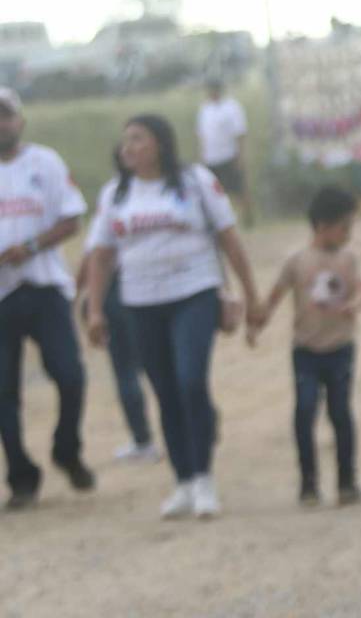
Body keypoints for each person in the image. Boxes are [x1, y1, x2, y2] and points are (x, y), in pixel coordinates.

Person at [85, 114, 263, 519]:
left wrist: (250, 294)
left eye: (137, 139)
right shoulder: (116, 194)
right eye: (125, 140)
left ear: (160, 144)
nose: (128, 147)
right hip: (141, 303)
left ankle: (203, 478)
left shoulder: (195, 182)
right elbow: (101, 255)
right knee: (165, 390)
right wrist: (95, 310)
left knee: (190, 380)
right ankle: (182, 481)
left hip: (193, 294)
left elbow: (229, 238)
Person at [0, 87, 95, 509]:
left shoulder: (46, 163)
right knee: (3, 391)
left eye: (5, 115)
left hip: (42, 285)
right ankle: (21, 475)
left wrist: (32, 246)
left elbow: (71, 217)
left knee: (69, 373)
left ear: (19, 120)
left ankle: (66, 447)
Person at [249, 185, 361, 507]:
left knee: (341, 413)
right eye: (345, 227)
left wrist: (354, 305)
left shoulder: (350, 258)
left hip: (340, 349)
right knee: (304, 412)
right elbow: (275, 296)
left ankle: (346, 481)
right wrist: (257, 322)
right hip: (306, 351)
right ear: (323, 226)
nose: (348, 234)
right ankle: (308, 484)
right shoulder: (297, 261)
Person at [75, 147, 160, 464]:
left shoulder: (114, 196)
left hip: (118, 290)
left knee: (125, 369)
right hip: (155, 287)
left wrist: (79, 293)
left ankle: (143, 440)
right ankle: (200, 417)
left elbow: (95, 253)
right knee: (159, 363)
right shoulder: (169, 187)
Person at [197, 77, 253, 227]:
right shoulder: (205, 109)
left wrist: (240, 155)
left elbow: (240, 133)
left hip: (228, 155)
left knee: (238, 189)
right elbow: (203, 135)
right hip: (211, 157)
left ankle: (247, 218)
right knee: (212, 191)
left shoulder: (232, 107)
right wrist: (203, 155)